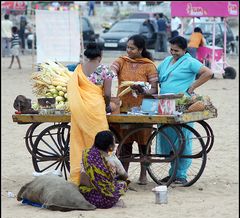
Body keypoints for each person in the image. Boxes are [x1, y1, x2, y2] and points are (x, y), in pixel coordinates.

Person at [156, 36, 213, 184]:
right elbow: (156, 74)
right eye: (172, 49)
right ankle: (172, 172)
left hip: (182, 104)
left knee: (182, 138)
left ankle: (181, 174)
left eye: (177, 50)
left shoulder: (189, 61)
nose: (173, 52)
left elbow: (208, 73)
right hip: (165, 104)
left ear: (184, 50)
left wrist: (193, 86)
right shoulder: (167, 61)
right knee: (167, 136)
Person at [110, 34, 158, 185]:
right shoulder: (121, 61)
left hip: (144, 109)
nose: (129, 51)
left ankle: (144, 175)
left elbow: (154, 89)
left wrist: (143, 90)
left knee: (144, 143)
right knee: (125, 143)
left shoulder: (149, 65)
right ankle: (124, 174)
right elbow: (111, 71)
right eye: (127, 48)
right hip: (124, 107)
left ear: (140, 49)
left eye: (132, 48)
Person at [67, 42, 117, 186]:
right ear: (100, 57)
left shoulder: (79, 69)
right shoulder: (105, 70)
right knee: (99, 141)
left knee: (78, 142)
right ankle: (99, 177)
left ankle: (78, 178)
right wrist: (107, 105)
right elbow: (107, 93)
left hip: (79, 109)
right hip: (96, 108)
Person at [79, 130, 129, 209]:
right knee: (124, 183)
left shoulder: (87, 155)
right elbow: (125, 176)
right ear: (111, 147)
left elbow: (83, 176)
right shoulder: (113, 159)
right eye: (114, 142)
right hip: (106, 200)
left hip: (88, 197)